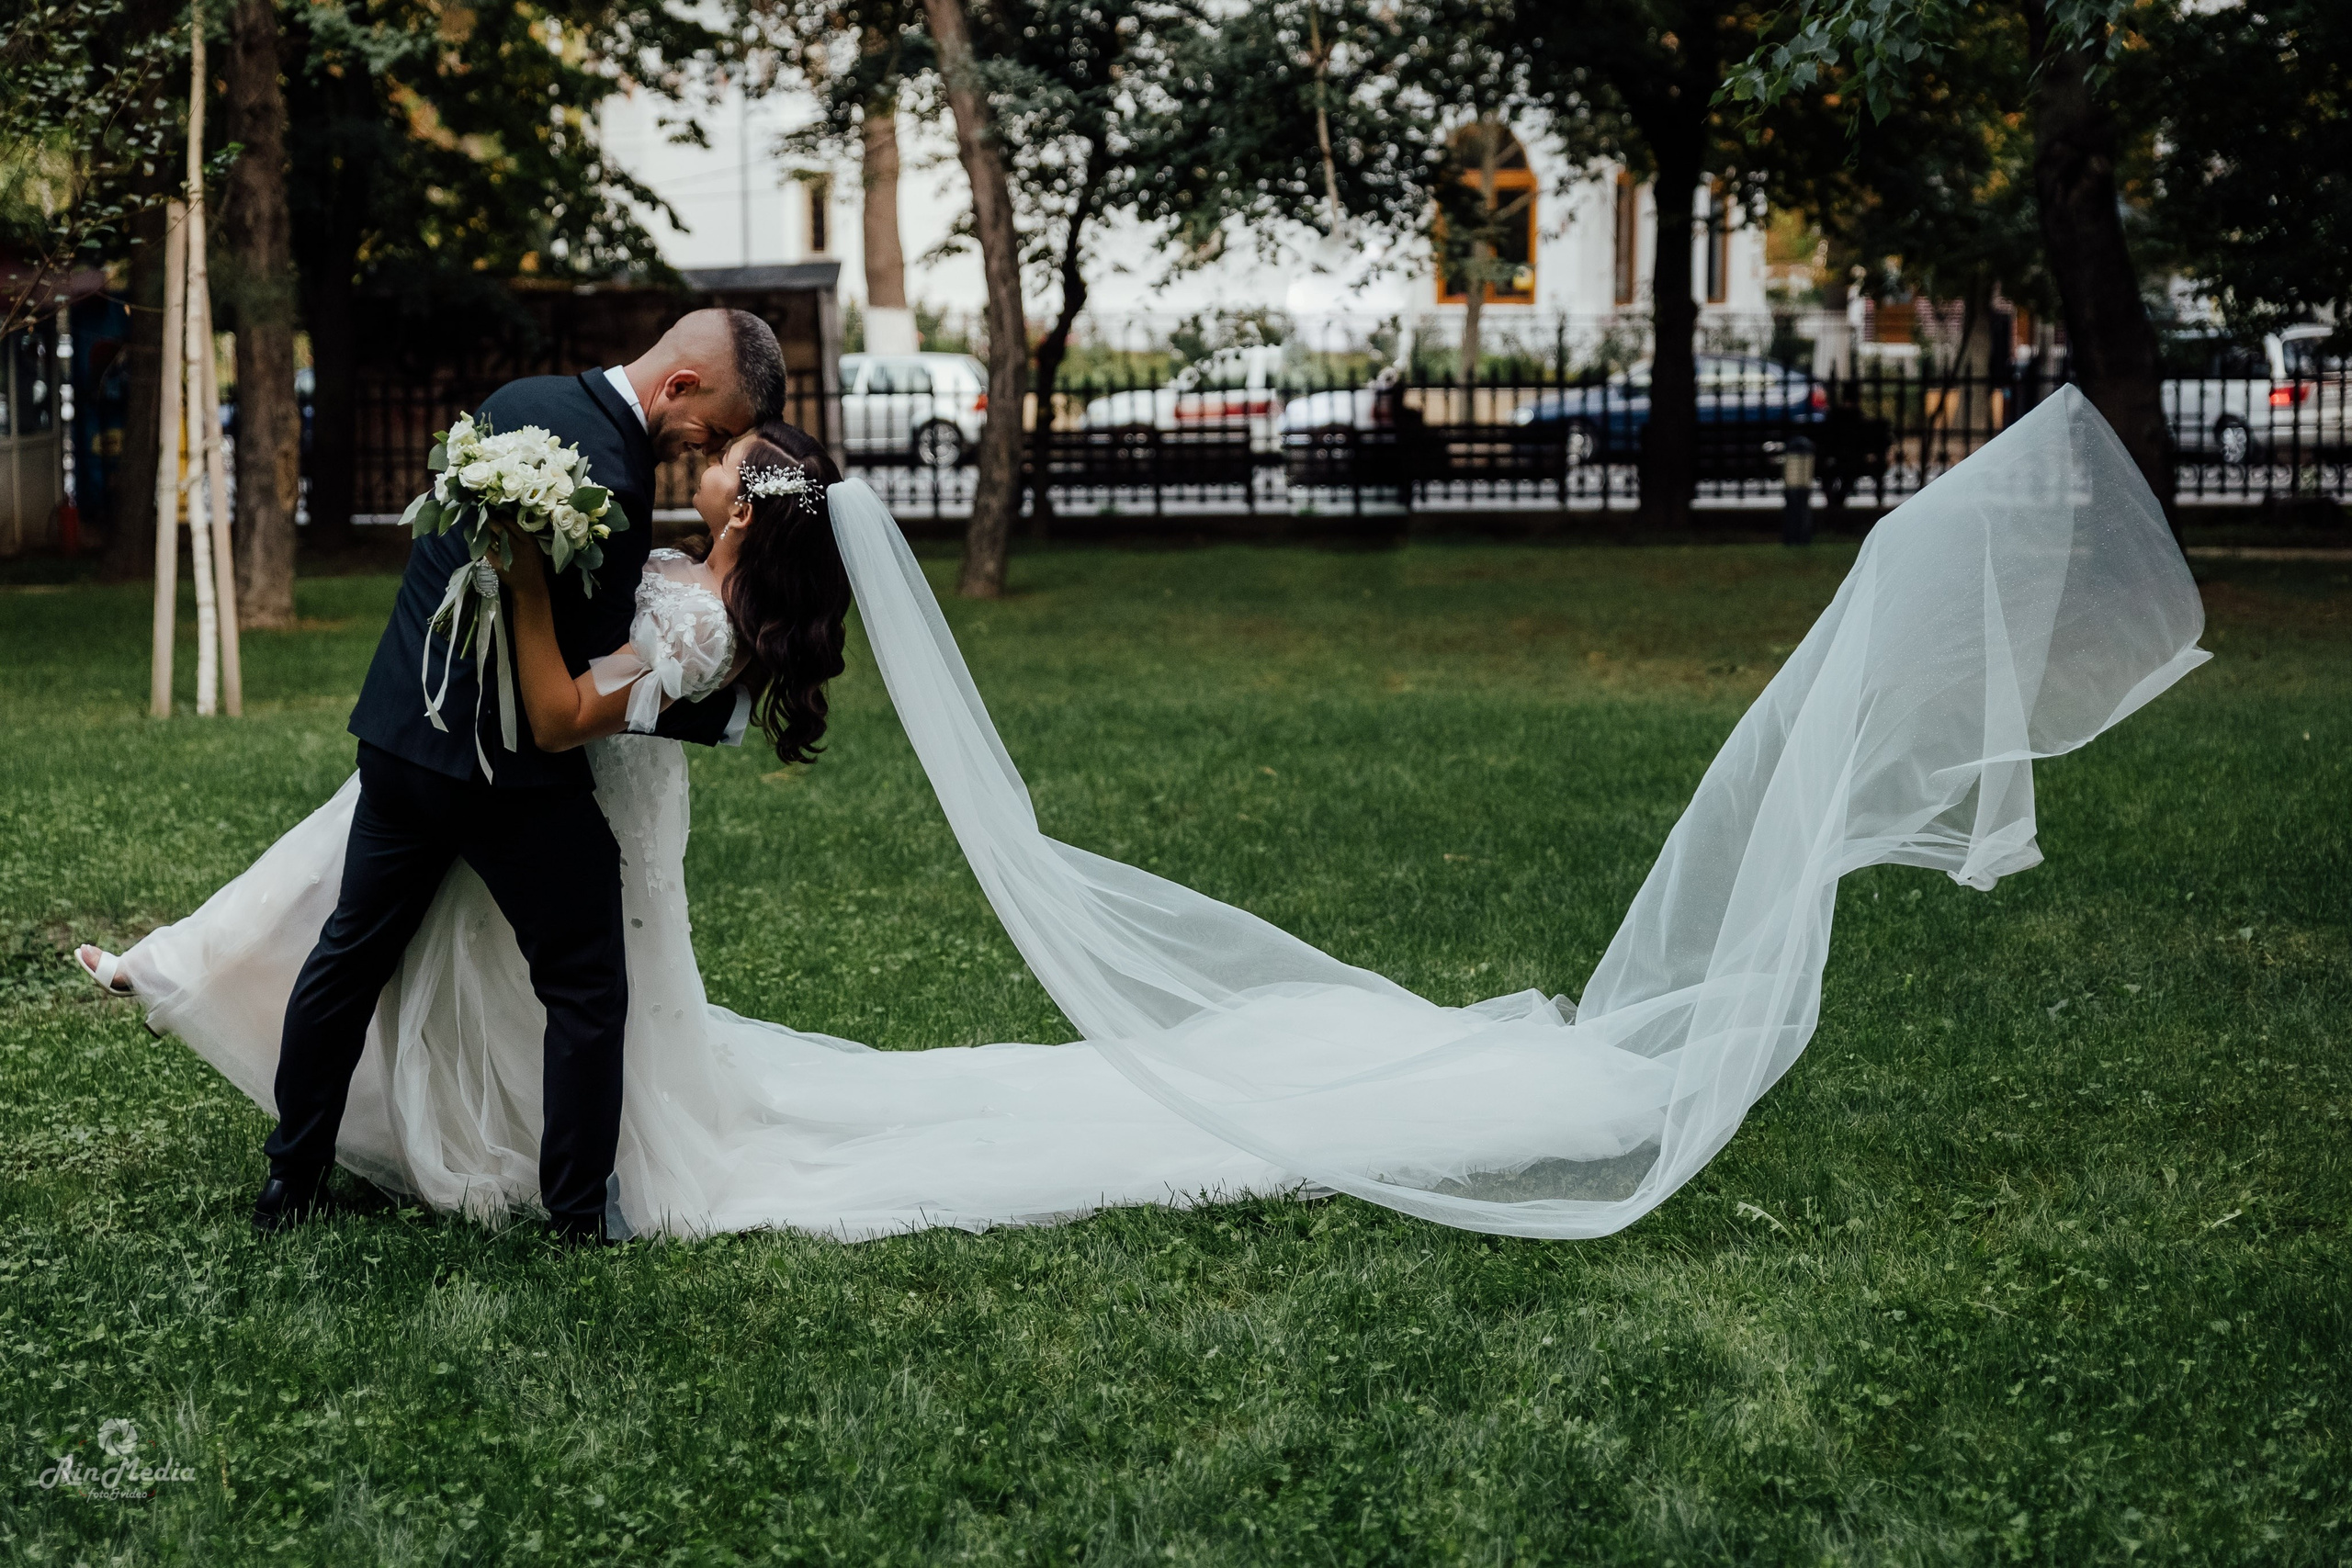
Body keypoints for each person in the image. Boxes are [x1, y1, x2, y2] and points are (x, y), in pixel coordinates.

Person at [82, 389, 2212, 1245]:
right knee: (541, 988)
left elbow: (567, 696)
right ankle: (361, 1082)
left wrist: (538, 581)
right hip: (571, 823)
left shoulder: (699, 636)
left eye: (728, 484)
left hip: (587, 820)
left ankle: (553, 1179)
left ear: (754, 542)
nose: (712, 474)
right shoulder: (698, 586)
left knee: (633, 1044)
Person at [80, 309, 787, 1246]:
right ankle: (579, 1213)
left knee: (349, 956)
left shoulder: (514, 405)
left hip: (404, 735)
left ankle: (289, 1180)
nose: (714, 442)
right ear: (681, 386)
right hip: (515, 776)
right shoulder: (610, 483)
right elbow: (582, 674)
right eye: (719, 424)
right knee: (585, 987)